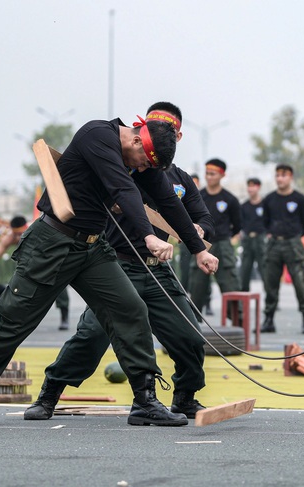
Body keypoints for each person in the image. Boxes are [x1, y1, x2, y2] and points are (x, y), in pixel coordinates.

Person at [0, 114, 193, 427]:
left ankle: (145, 400)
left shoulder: (137, 156)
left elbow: (167, 200)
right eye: (144, 162)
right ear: (137, 139)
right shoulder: (97, 135)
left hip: (92, 248)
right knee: (14, 321)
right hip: (52, 244)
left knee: (130, 309)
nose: (142, 169)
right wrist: (149, 236)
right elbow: (124, 189)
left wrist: (199, 248)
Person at [23, 102, 219, 421]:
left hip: (157, 272)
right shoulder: (121, 163)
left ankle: (183, 397)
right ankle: (49, 393)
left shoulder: (179, 179)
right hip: (116, 264)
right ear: (141, 132)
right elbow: (122, 190)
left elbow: (201, 216)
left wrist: (200, 239)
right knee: (90, 337)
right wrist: (146, 232)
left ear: (178, 136)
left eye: (168, 130)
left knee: (188, 335)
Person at [0, 215, 71, 330]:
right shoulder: (10, 238)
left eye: (21, 233)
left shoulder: (36, 230)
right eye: (17, 235)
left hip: (47, 258)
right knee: (19, 284)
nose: (19, 237)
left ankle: (64, 315)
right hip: (28, 262)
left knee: (58, 284)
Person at [260, 164, 304, 334]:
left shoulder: (300, 199)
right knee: (270, 283)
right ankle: (269, 319)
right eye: (277, 175)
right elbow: (265, 221)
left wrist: (295, 236)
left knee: (300, 282)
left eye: (283, 175)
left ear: (291, 177)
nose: (280, 179)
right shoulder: (269, 199)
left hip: (293, 244)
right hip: (274, 244)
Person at [189, 159, 242, 316]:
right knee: (196, 289)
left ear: (222, 175)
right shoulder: (198, 196)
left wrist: (225, 237)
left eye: (213, 174)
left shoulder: (230, 199)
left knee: (231, 288)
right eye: (207, 173)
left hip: (223, 246)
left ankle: (237, 326)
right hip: (201, 246)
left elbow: (237, 225)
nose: (209, 177)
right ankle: (193, 329)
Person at [239, 177, 267, 291]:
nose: (250, 189)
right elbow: (240, 222)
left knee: (265, 269)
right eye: (249, 186)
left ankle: (271, 298)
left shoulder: (265, 205)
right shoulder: (244, 206)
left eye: (253, 186)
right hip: (248, 240)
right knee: (245, 270)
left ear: (258, 187)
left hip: (261, 239)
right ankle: (243, 297)